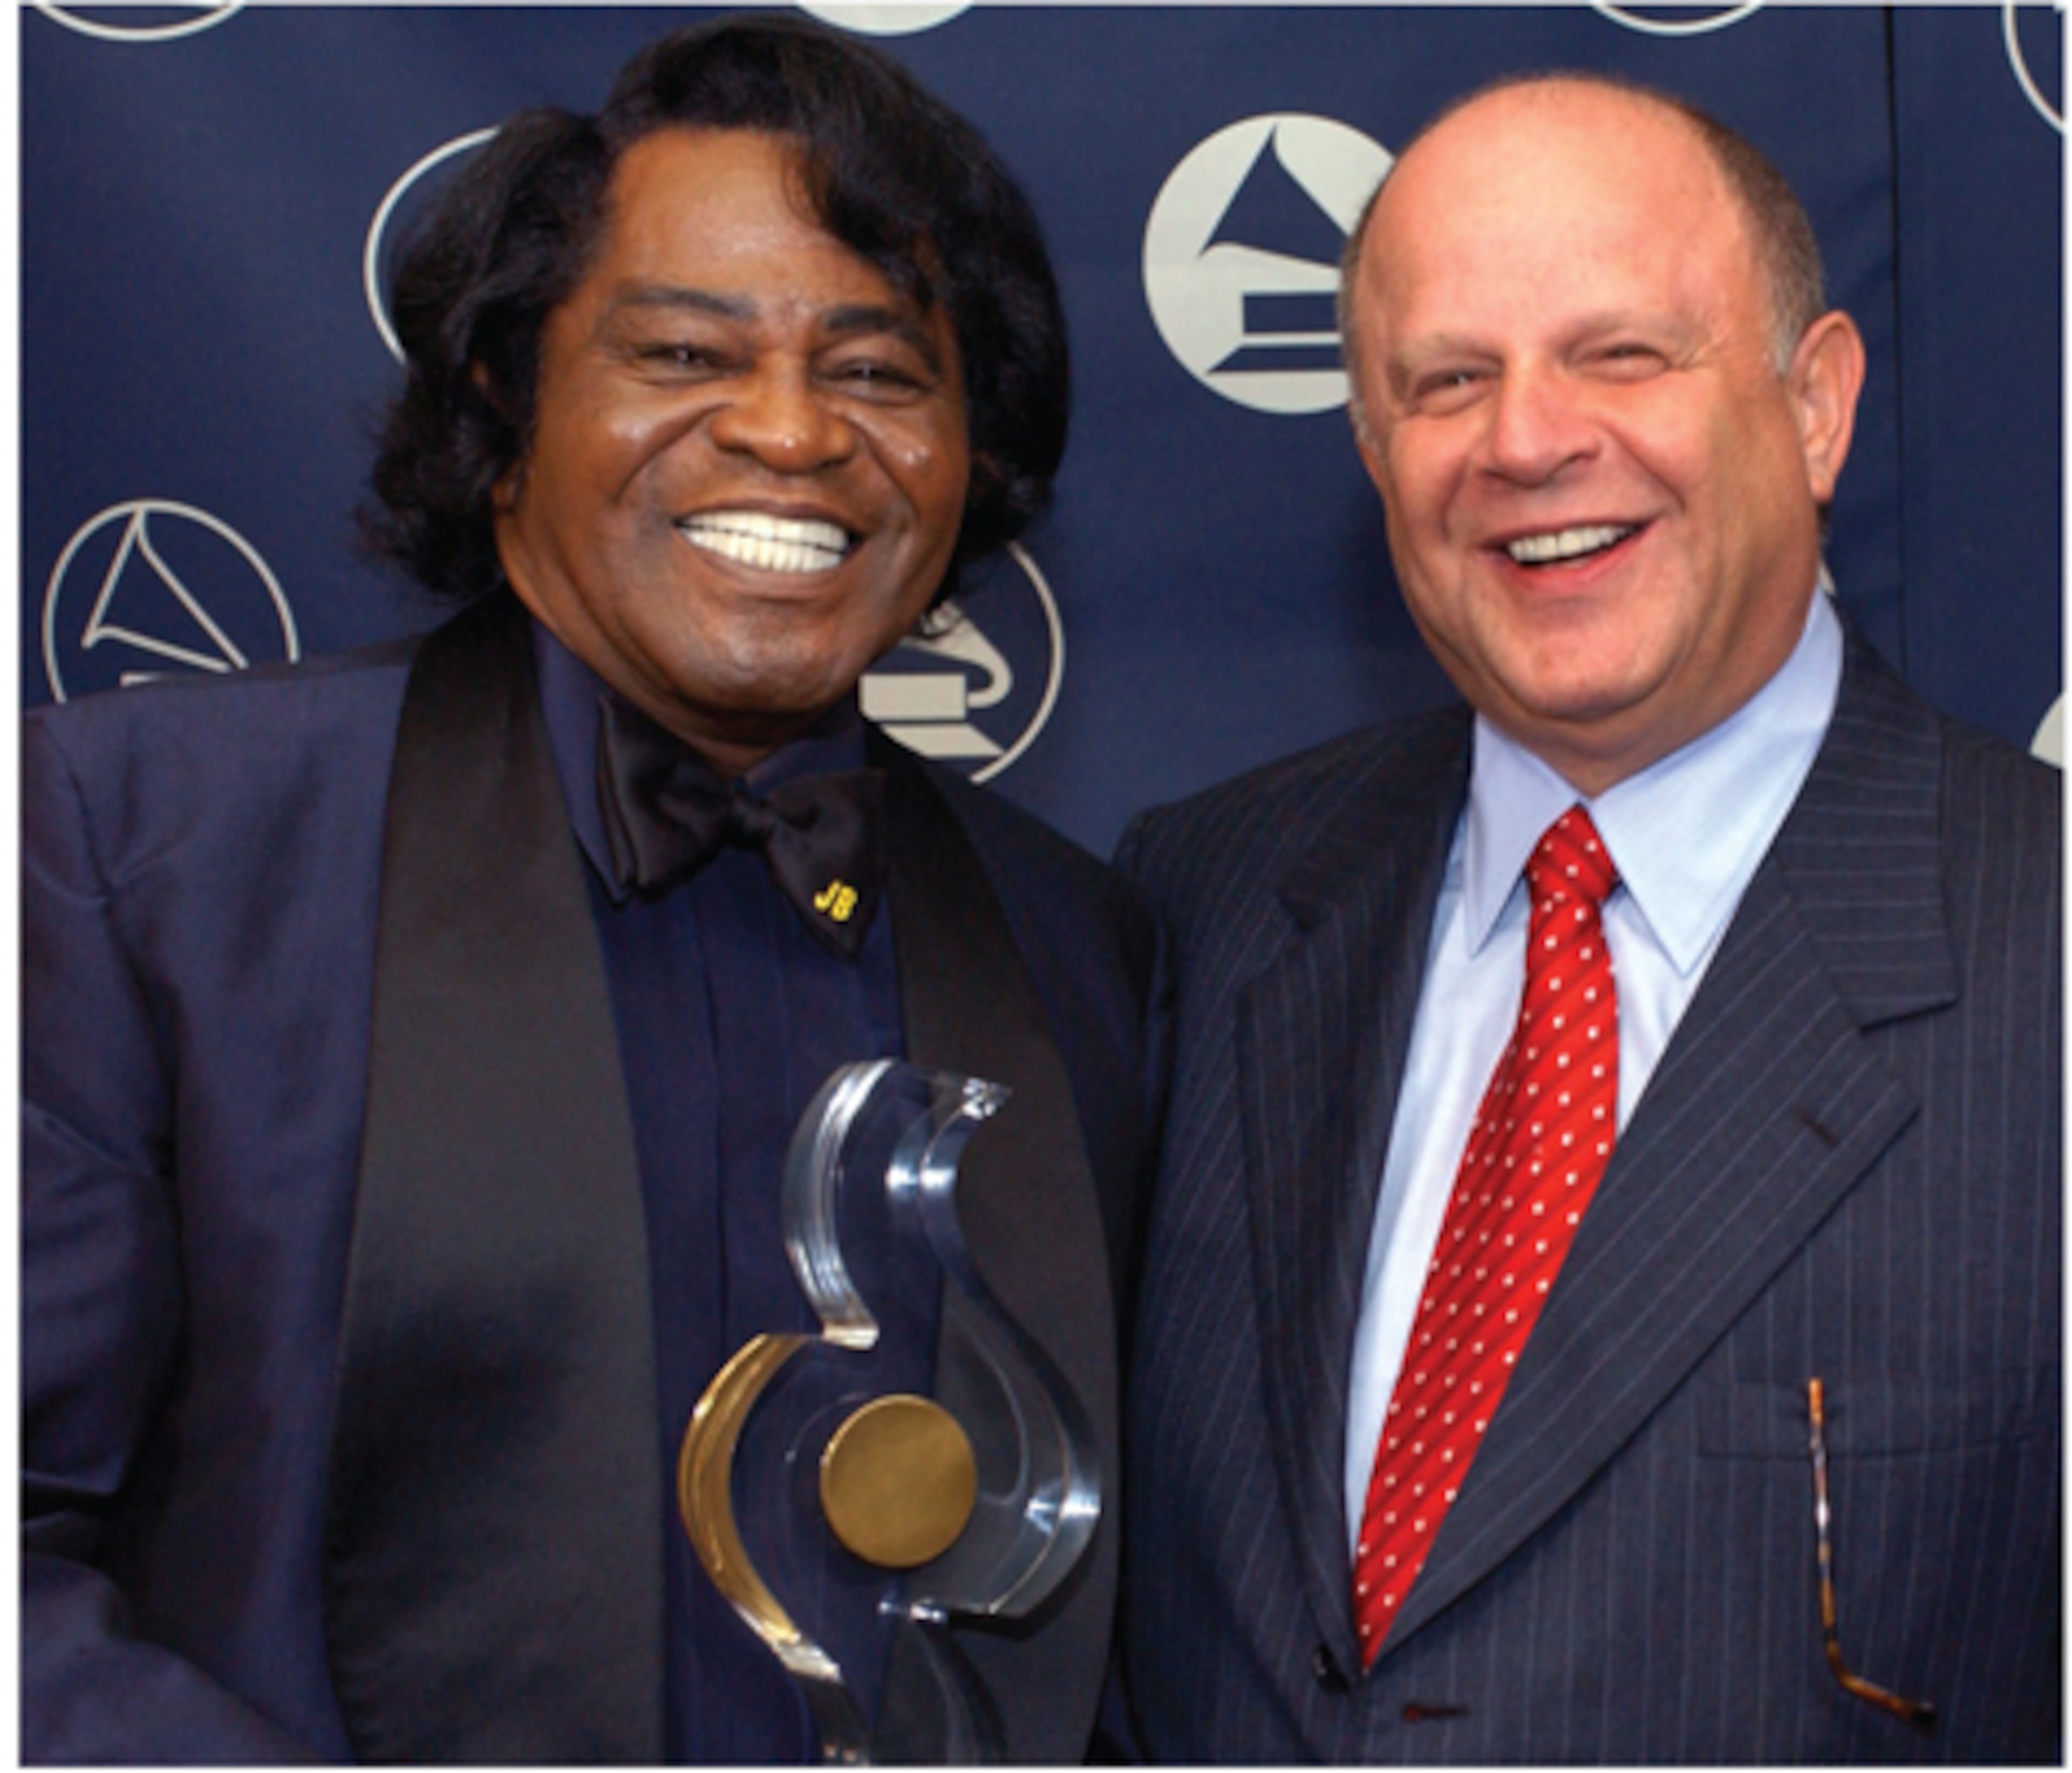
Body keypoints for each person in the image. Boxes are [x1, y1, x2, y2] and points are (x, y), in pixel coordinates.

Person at [23, 16, 1164, 1763]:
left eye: (877, 371)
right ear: (508, 399)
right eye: (687, 350)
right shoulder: (137, 849)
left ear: (969, 454)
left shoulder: (1086, 949)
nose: (790, 436)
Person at [1117, 72, 2058, 1763]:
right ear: (1373, 450)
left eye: (1622, 354)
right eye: (1447, 380)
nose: (1530, 439)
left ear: (1820, 405)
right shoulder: (1201, 903)